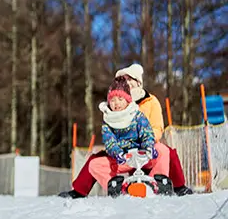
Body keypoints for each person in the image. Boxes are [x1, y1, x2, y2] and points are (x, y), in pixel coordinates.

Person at [60, 63, 193, 198]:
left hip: (145, 147)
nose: (128, 83)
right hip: (122, 153)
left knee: (166, 151)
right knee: (95, 159)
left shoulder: (150, 102)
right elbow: (109, 136)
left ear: (138, 82)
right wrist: (119, 150)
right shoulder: (113, 108)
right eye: (125, 80)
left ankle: (172, 185)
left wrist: (147, 143)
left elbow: (156, 127)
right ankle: (82, 190)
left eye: (130, 79)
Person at [88, 78, 171, 195]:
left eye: (120, 99)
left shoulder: (136, 115)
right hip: (123, 158)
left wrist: (148, 147)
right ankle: (119, 188)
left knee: (163, 151)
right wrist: (117, 153)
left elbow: (146, 132)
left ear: (127, 100)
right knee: (94, 165)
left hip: (142, 155)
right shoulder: (108, 120)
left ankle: (156, 185)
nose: (116, 103)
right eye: (112, 100)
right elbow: (109, 141)